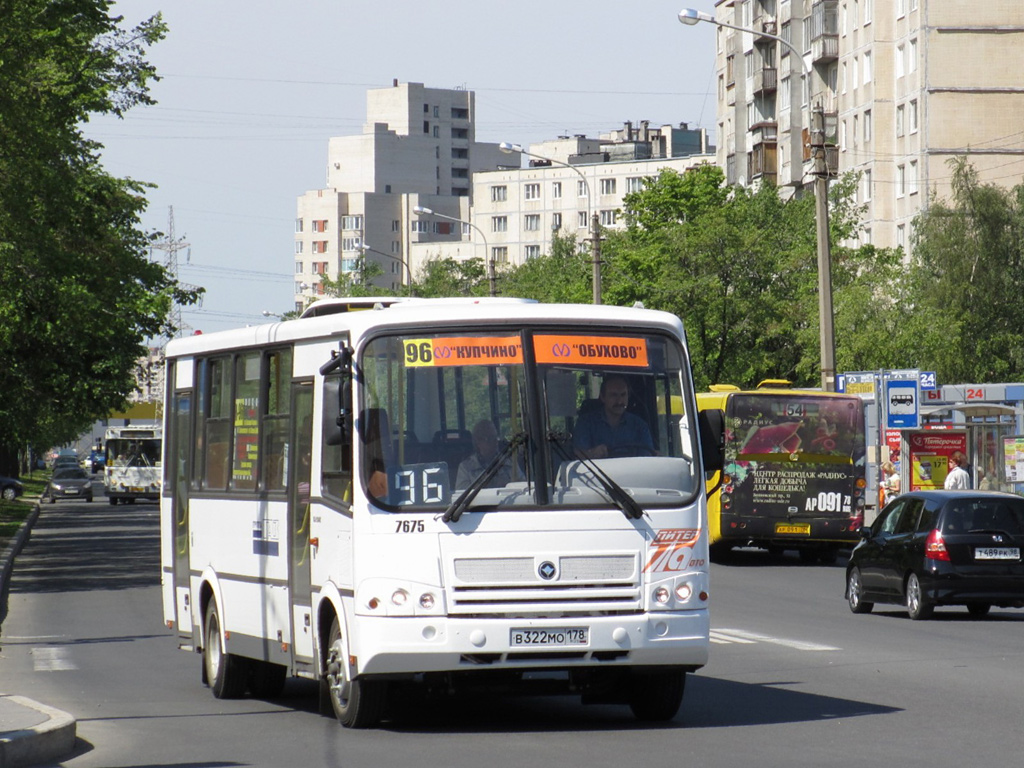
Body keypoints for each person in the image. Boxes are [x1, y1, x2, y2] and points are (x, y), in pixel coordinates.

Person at [573, 375, 654, 459]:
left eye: (623, 395)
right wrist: (593, 453)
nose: (619, 401)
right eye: (613, 395)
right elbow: (579, 455)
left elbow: (647, 458)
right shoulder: (586, 423)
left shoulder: (639, 426)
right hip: (595, 471)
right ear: (602, 397)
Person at [456, 420, 512, 489]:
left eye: (495, 438)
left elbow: (523, 486)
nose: (495, 442)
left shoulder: (509, 462)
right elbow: (462, 495)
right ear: (477, 442)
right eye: (489, 438)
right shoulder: (466, 468)